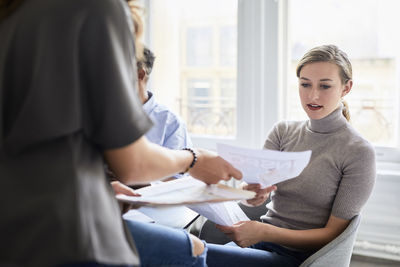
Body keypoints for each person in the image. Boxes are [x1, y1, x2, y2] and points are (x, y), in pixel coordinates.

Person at [0, 0, 242, 266]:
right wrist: (193, 159)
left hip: (16, 225)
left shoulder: (15, 14)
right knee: (191, 251)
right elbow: (134, 164)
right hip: (66, 231)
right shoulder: (95, 8)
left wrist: (99, 186)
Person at [204, 45, 376, 267]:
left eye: (325, 86)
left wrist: (265, 232)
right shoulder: (283, 132)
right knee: (194, 252)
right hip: (259, 243)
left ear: (346, 88)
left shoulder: (359, 152)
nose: (313, 95)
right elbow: (256, 192)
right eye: (305, 84)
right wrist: (252, 194)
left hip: (302, 258)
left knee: (193, 253)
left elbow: (332, 235)